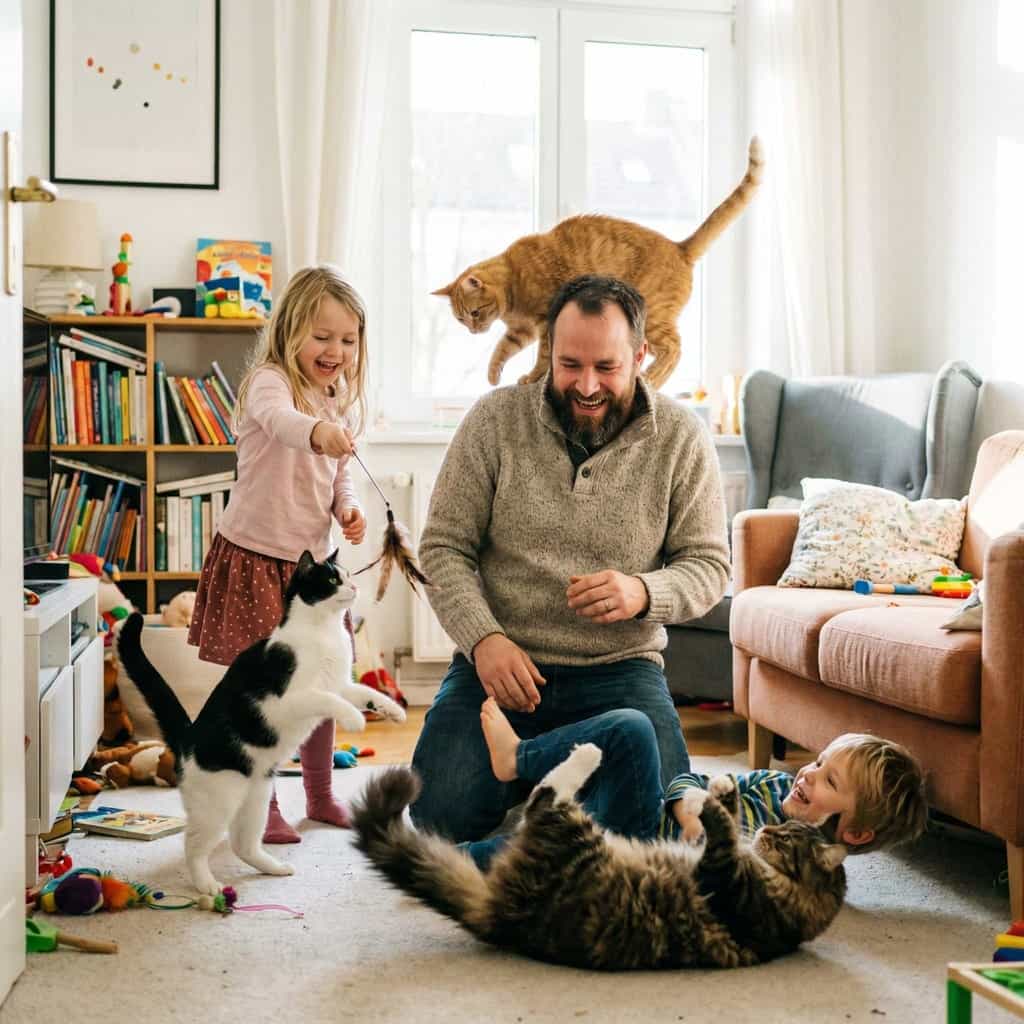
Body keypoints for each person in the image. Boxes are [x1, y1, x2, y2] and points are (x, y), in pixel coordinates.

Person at [411, 274, 731, 843]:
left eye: (606, 367)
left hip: (620, 673)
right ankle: (550, 796)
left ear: (641, 356)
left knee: (656, 824)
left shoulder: (682, 437)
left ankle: (535, 797)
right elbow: (442, 547)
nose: (586, 385)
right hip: (502, 669)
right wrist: (485, 641)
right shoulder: (493, 422)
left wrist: (642, 592)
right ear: (548, 355)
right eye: (570, 364)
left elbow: (708, 567)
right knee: (440, 815)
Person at [187, 264, 369, 844]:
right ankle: (259, 805)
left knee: (323, 680)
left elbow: (339, 473)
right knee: (264, 694)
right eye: (322, 336)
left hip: (309, 571)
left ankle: (318, 794)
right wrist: (318, 432)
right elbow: (284, 425)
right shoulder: (270, 382)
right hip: (255, 559)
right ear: (290, 331)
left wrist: (346, 507)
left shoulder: (337, 399)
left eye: (347, 339)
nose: (335, 350)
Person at [466, 697, 928, 868]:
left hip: (643, 856)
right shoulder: (770, 786)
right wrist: (686, 800)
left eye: (829, 779)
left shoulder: (807, 869)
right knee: (631, 727)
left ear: (855, 832)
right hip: (643, 816)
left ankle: (458, 860)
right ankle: (518, 760)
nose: (807, 773)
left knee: (544, 853)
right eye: (818, 761)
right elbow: (691, 776)